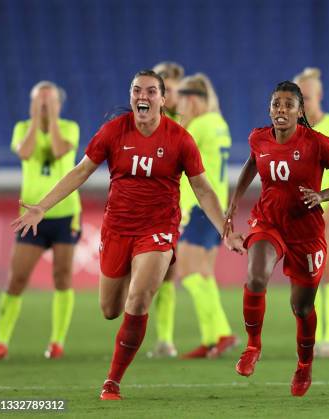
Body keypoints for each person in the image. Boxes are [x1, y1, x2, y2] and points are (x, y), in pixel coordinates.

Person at [11, 70, 244, 400]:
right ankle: (135, 332)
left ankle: (112, 381)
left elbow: (203, 189)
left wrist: (226, 230)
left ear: (163, 99)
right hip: (117, 229)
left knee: (139, 297)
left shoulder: (179, 138)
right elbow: (80, 171)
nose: (142, 96)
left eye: (151, 91)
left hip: (159, 229)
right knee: (110, 309)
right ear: (131, 95)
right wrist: (41, 208)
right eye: (137, 90)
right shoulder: (113, 131)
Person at [224, 81, 329, 397]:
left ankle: (304, 365)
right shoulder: (259, 138)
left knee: (302, 308)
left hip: (306, 233)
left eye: (288, 105)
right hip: (269, 222)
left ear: (300, 110)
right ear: (270, 108)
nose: (281, 110)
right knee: (256, 276)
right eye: (276, 104)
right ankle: (252, 346)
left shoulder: (319, 144)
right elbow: (253, 163)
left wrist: (322, 195)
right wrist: (235, 200)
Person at [0, 81, 80, 361]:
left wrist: (52, 118)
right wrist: (35, 120)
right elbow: (26, 152)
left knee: (62, 278)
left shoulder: (69, 128)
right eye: (39, 100)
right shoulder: (21, 128)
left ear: (59, 102)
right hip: (31, 216)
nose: (44, 104)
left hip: (65, 214)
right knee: (17, 279)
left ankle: (57, 342)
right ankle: (1, 341)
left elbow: (57, 150)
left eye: (49, 100)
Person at [175, 73, 236, 359]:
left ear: (193, 99)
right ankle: (212, 337)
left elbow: (173, 148)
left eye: (184, 99)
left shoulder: (198, 125)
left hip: (200, 208)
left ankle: (221, 332)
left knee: (187, 272)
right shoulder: (219, 123)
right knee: (204, 274)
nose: (181, 105)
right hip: (217, 208)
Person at [293, 67, 329, 359]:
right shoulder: (292, 131)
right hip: (299, 216)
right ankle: (310, 338)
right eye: (297, 99)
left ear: (319, 96)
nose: (302, 104)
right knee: (306, 279)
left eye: (306, 97)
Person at [146, 61, 186, 358]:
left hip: (174, 210)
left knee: (169, 274)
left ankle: (165, 338)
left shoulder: (185, 123)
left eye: (174, 89)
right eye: (166, 89)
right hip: (144, 211)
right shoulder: (144, 123)